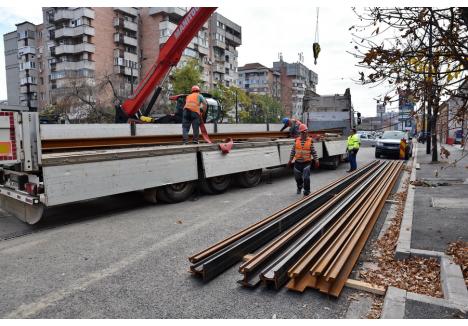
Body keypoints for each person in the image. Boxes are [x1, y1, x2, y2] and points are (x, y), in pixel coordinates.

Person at [288, 124, 319, 196]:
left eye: (305, 132)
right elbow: (293, 151)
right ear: (300, 133)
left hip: (306, 163)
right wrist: (290, 160)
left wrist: (316, 160)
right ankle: (299, 187)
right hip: (297, 162)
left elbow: (313, 152)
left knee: (306, 177)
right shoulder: (296, 141)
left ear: (306, 132)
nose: (304, 133)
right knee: (297, 178)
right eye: (302, 132)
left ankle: (307, 191)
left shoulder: (310, 141)